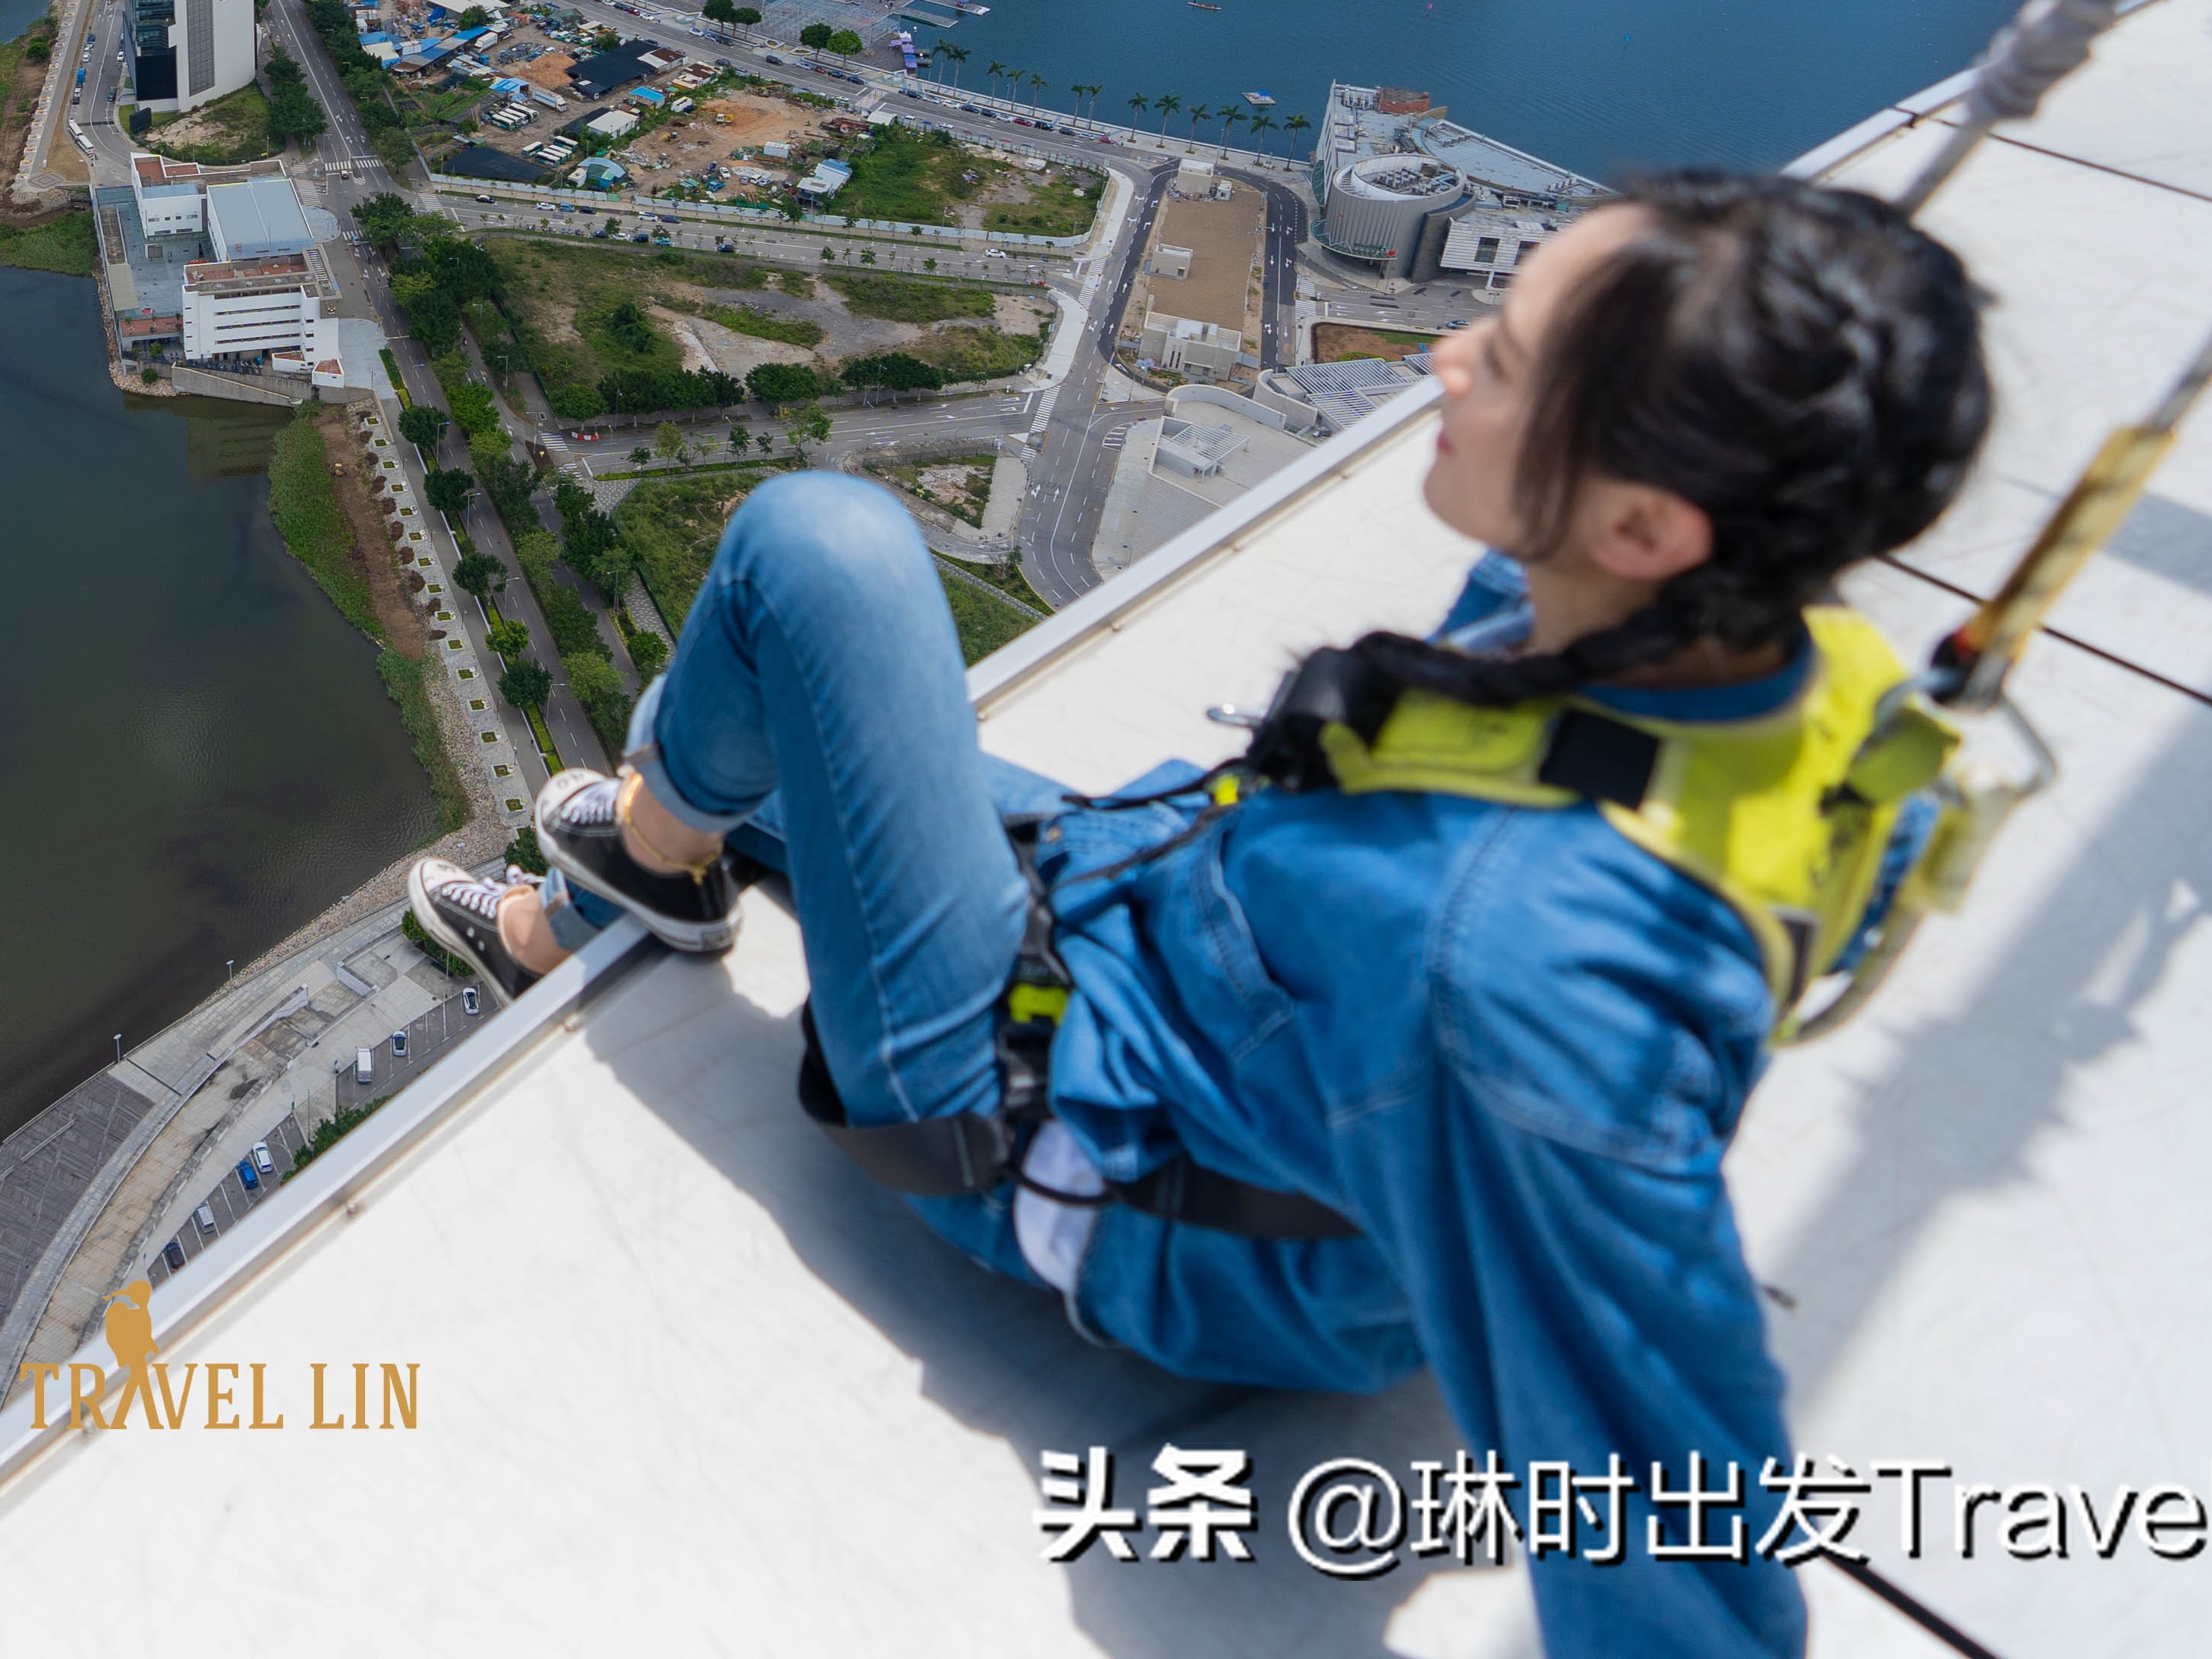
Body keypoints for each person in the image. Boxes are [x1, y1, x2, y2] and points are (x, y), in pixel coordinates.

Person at [407, 174, 1990, 1659]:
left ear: (1646, 525)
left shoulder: (1525, 971)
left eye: (1502, 359)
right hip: (1177, 946)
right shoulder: (1754, 669)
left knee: (808, 561)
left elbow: (1673, 1511)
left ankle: (606, 893)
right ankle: (647, 840)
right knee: (729, 700)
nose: (1444, 360)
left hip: (1048, 1121)